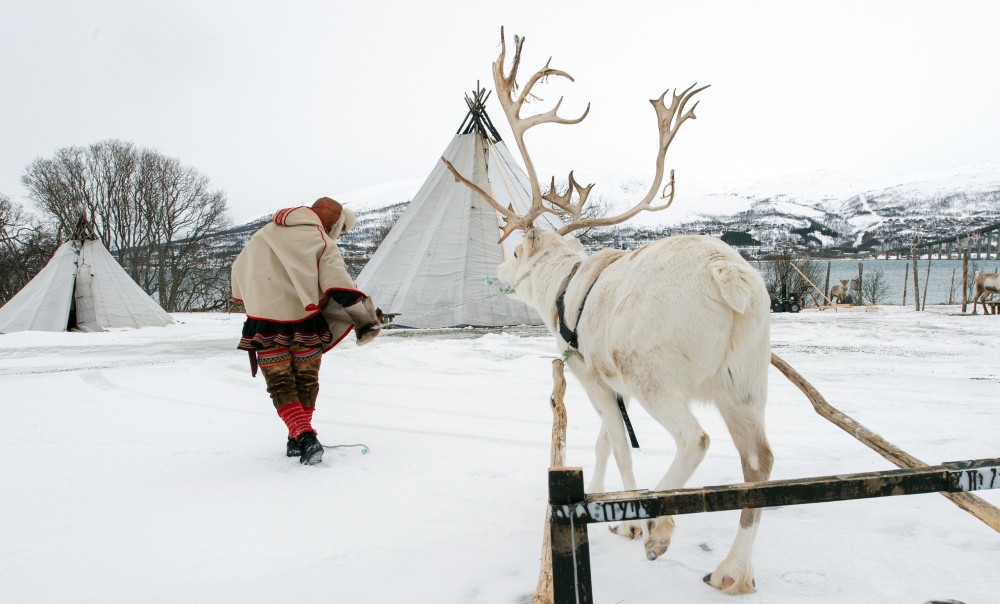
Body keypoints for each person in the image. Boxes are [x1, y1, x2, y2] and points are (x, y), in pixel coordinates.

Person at [231, 197, 380, 465]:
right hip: (305, 326)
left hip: (264, 326)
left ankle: (296, 437)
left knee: (280, 383)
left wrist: (261, 298)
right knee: (306, 381)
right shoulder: (321, 240)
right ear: (334, 225)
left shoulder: (263, 234)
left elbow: (239, 270)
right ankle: (305, 435)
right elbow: (340, 287)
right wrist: (365, 320)